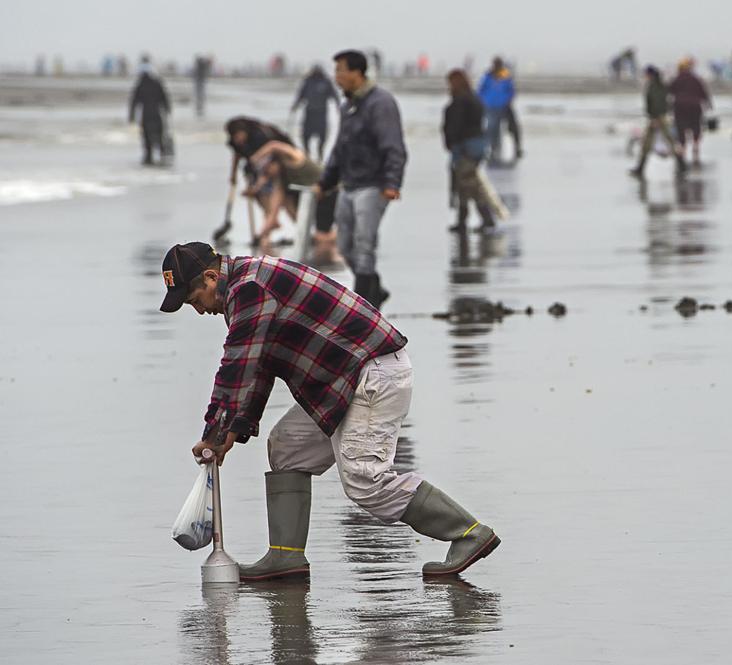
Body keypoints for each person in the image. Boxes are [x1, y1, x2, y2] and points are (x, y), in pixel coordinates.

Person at [159, 242, 500, 582]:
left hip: (372, 371)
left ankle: (468, 532)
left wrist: (213, 431)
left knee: (367, 481)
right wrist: (232, 428)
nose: (198, 310)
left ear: (211, 276)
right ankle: (285, 558)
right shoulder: (243, 289)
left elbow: (237, 366)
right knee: (288, 447)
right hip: (343, 380)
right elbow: (258, 366)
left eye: (194, 300)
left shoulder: (249, 290)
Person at [315, 49, 408, 309]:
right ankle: (375, 287)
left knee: (365, 245)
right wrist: (325, 181)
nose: (337, 77)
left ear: (357, 72)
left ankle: (364, 306)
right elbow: (339, 148)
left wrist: (392, 183)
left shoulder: (380, 103)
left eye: (340, 70)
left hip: (374, 185)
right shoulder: (349, 106)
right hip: (349, 184)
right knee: (345, 245)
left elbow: (394, 146)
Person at [246, 141, 325, 250]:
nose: (268, 173)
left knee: (324, 238)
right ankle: (308, 236)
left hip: (328, 189)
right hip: (312, 196)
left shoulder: (295, 159)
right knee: (288, 205)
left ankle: (324, 241)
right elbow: (273, 213)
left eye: (267, 169)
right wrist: (261, 236)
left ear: (274, 163)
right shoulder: (280, 184)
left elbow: (274, 145)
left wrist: (256, 157)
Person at [443, 69, 496, 232]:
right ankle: (463, 220)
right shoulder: (473, 98)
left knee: (468, 183)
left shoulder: (461, 101)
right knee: (465, 184)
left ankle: (486, 218)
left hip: (466, 147)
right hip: (475, 145)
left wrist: (452, 142)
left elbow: (456, 126)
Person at [629, 65, 687, 178]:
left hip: (658, 117)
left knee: (664, 141)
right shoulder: (660, 85)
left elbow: (656, 102)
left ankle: (681, 165)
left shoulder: (654, 86)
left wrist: (655, 118)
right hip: (660, 116)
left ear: (649, 74)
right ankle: (681, 165)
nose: (644, 76)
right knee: (662, 142)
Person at [128, 56, 171, 166]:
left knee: (146, 137)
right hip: (157, 114)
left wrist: (131, 115)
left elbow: (134, 101)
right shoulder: (157, 83)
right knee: (160, 134)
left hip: (146, 115)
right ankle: (162, 155)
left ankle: (148, 157)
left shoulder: (140, 84)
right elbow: (164, 98)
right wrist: (167, 110)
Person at [291, 65, 340, 160]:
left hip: (321, 113)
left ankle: (320, 154)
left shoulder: (326, 82)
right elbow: (301, 95)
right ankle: (307, 154)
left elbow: (334, 95)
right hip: (309, 113)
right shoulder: (307, 82)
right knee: (305, 136)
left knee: (322, 136)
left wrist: (338, 106)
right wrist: (295, 106)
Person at [477, 57, 522, 161]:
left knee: (512, 127)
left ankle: (516, 148)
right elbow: (480, 90)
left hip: (504, 106)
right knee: (492, 128)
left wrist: (507, 100)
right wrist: (483, 101)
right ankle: (493, 148)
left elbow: (511, 90)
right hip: (490, 106)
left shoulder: (505, 76)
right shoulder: (487, 77)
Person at [668, 58, 711, 164]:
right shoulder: (695, 79)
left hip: (680, 106)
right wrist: (708, 104)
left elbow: (669, 90)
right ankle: (696, 145)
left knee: (680, 127)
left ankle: (683, 147)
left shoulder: (677, 79)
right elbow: (703, 92)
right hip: (695, 106)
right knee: (696, 125)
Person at [192, 54, 211, 119]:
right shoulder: (202, 65)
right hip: (200, 80)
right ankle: (200, 102)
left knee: (200, 93)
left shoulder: (200, 65)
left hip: (200, 80)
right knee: (200, 93)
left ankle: (200, 102)